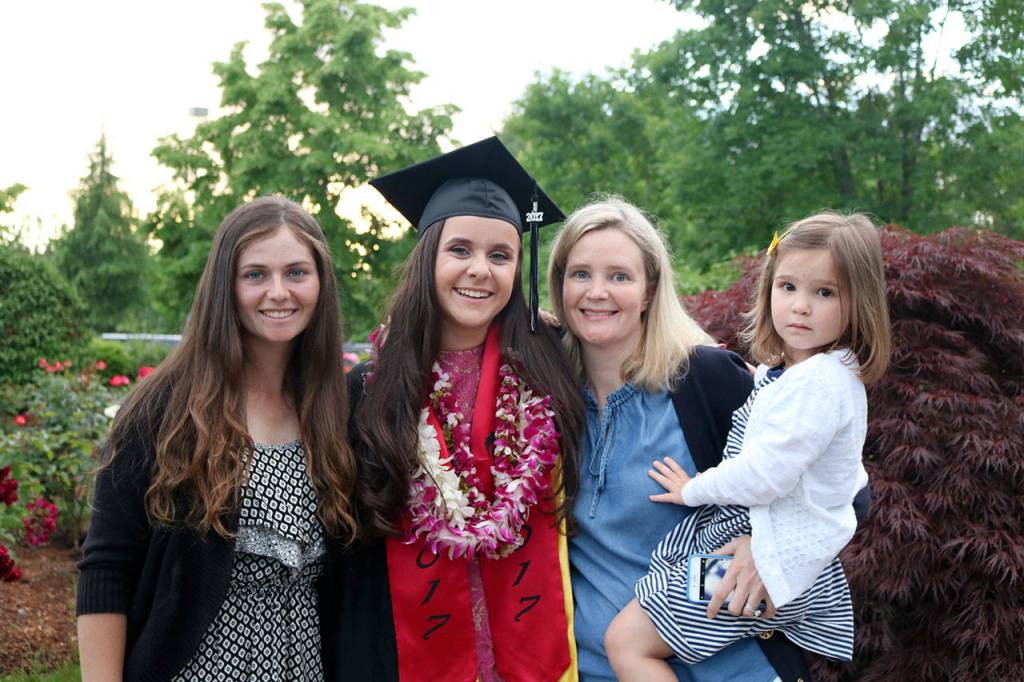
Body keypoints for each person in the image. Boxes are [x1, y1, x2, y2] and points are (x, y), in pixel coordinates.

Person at [548, 198, 874, 682]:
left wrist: (766, 549)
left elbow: (846, 485)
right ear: (559, 285)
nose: (597, 292)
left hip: (734, 669)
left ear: (649, 289)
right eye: (580, 274)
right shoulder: (546, 399)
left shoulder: (704, 378)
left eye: (619, 276)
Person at [320, 137, 584, 682]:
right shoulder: (368, 391)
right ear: (428, 259)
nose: (479, 271)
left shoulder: (553, 370)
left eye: (500, 255)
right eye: (460, 250)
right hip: (406, 649)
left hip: (534, 646)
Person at [76, 197, 358, 681]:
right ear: (225, 285)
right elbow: (107, 566)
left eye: (296, 272)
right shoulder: (163, 409)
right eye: (255, 275)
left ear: (320, 282)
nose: (278, 292)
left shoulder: (332, 408)